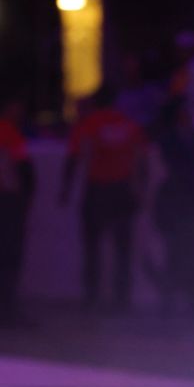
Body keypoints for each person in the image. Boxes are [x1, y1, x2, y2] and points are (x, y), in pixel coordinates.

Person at [60, 85, 148, 312]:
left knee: (92, 249)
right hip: (123, 190)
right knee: (123, 250)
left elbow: (73, 158)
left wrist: (65, 190)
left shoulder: (88, 125)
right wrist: (141, 190)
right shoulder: (130, 125)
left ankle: (91, 300)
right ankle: (122, 301)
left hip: (97, 189)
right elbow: (142, 161)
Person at [0, 98, 35, 327]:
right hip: (8, 199)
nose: (21, 112)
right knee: (9, 254)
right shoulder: (9, 133)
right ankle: (6, 309)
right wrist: (27, 197)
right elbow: (24, 168)